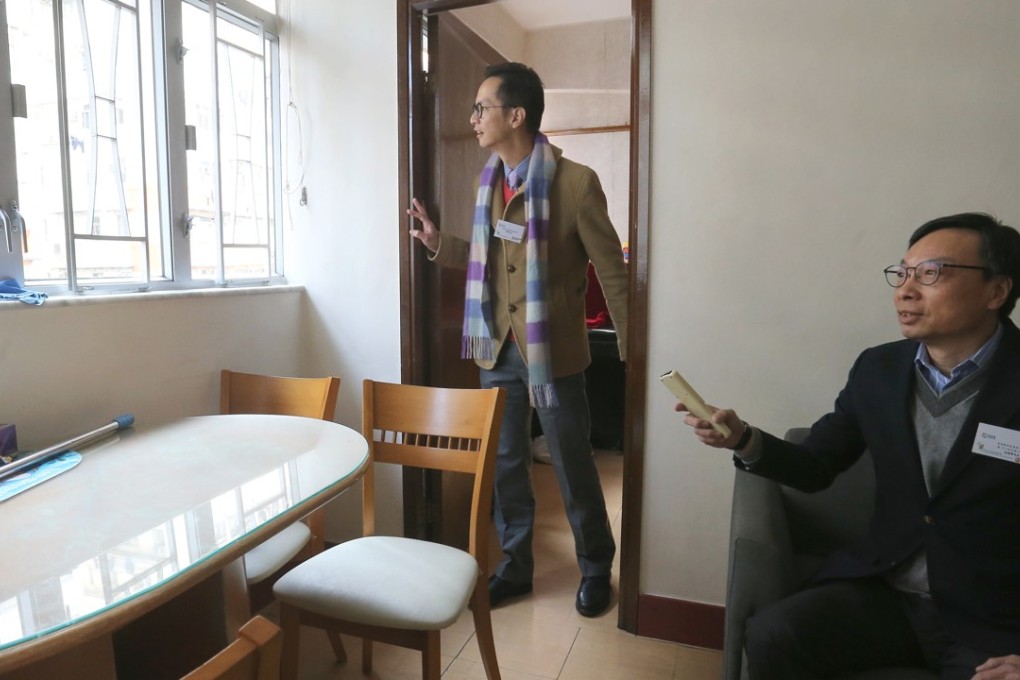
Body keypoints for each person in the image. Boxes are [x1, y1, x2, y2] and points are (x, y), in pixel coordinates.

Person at [676, 213, 1020, 679]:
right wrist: (743, 439)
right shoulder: (878, 370)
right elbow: (817, 464)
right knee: (774, 634)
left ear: (996, 291)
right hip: (887, 593)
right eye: (902, 273)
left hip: (992, 620)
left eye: (931, 274)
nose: (905, 290)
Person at [406, 62, 628, 617]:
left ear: (516, 114)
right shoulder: (489, 184)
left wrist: (633, 346)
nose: (474, 118)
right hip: (497, 348)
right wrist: (439, 242)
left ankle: (596, 566)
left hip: (552, 352)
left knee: (572, 460)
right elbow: (491, 260)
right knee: (506, 463)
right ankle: (517, 567)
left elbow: (613, 271)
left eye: (482, 107)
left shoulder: (575, 183)